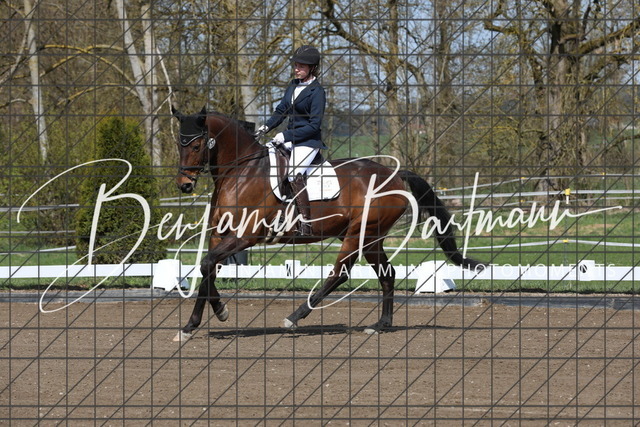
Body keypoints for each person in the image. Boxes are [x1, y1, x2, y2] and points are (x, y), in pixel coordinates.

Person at [254, 45, 327, 236]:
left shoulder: (317, 92)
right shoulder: (293, 85)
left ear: (312, 68)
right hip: (290, 139)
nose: (296, 69)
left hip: (308, 142)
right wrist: (266, 127)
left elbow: (314, 125)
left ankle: (305, 223)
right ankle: (275, 212)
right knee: (266, 162)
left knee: (294, 174)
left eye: (301, 66)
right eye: (295, 65)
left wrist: (285, 136)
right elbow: (281, 111)